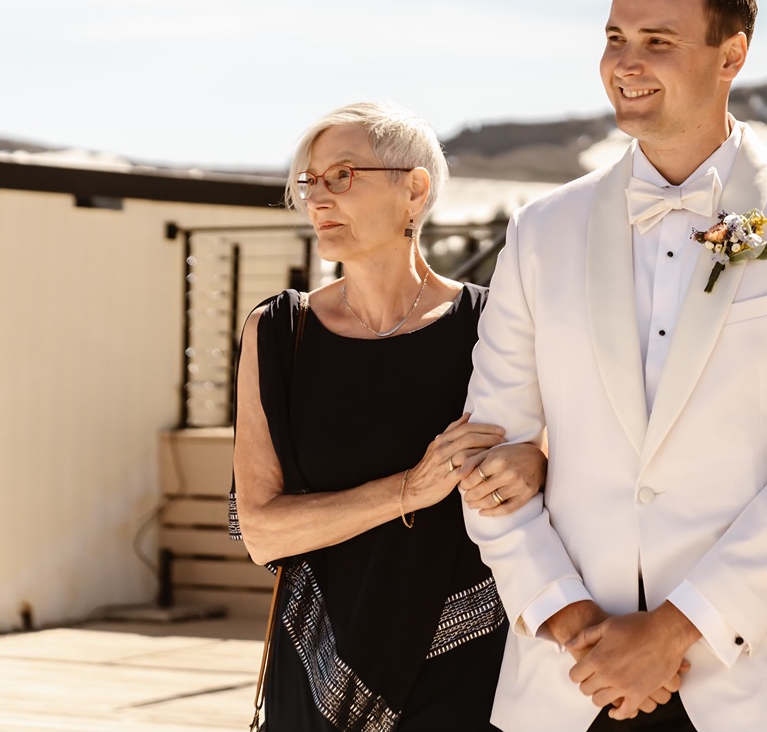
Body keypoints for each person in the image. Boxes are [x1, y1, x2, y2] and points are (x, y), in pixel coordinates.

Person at [463, 0, 767, 732]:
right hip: (568, 684)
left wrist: (671, 632)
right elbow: (491, 455)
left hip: (753, 683)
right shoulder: (539, 231)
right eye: (615, 36)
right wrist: (573, 628)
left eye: (658, 40)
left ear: (731, 55)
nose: (627, 62)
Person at [233, 101, 548, 731]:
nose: (318, 199)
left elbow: (554, 459)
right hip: (317, 669)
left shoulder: (498, 324)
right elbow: (262, 531)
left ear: (416, 188)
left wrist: (535, 461)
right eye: (310, 181)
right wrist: (411, 488)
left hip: (469, 658)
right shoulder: (277, 332)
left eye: (342, 176)